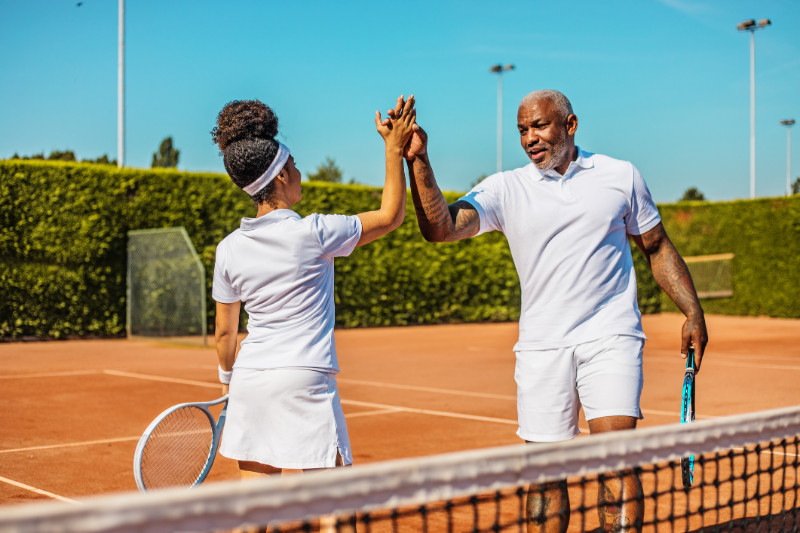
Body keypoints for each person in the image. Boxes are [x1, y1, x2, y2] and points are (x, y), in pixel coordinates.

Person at [399, 89, 708, 532]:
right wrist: (419, 160)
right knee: (544, 479)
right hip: (542, 348)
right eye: (522, 130)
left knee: (616, 464)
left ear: (570, 124)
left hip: (611, 338)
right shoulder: (506, 187)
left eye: (540, 125)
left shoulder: (621, 175)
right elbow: (440, 227)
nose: (530, 138)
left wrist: (692, 310)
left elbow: (656, 246)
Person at [210, 95, 415, 502]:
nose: (301, 172)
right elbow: (391, 215)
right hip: (304, 379)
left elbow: (223, 334)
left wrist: (230, 381)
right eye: (296, 165)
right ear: (283, 175)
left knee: (252, 514)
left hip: (251, 380)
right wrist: (393, 149)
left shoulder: (228, 249)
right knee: (335, 509)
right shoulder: (315, 232)